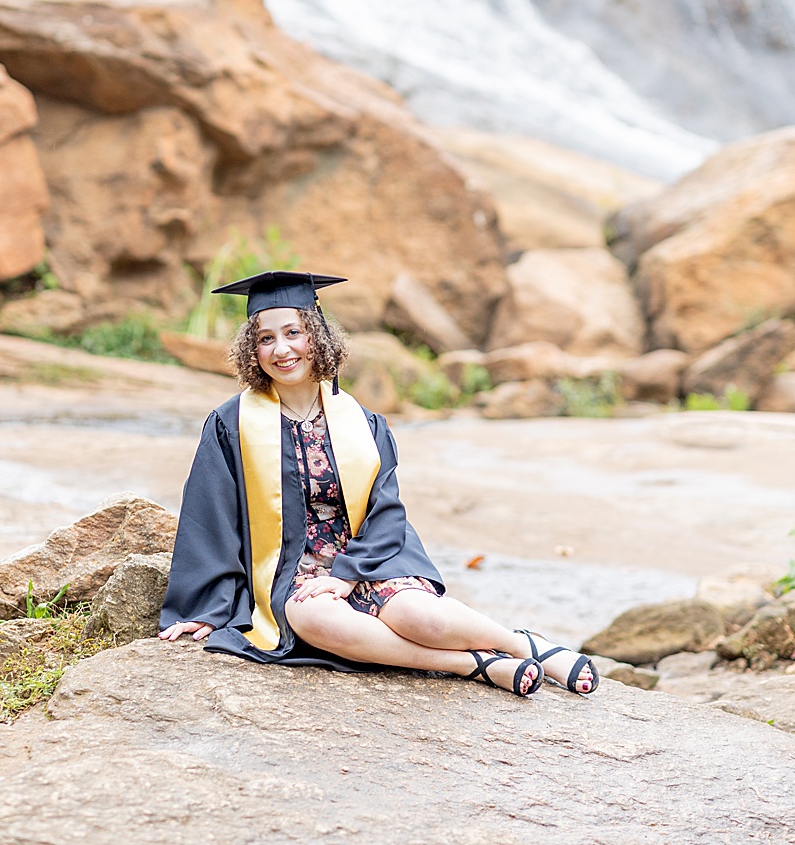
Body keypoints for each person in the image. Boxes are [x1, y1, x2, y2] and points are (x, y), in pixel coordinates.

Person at [157, 271, 596, 699]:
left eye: (293, 332)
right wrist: (207, 609)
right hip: (291, 573)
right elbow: (209, 516)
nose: (282, 349)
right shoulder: (231, 424)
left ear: (318, 336)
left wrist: (347, 577)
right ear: (251, 350)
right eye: (266, 338)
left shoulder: (363, 424)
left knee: (425, 620)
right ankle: (472, 664)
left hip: (369, 557)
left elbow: (386, 509)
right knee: (318, 623)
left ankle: (525, 646)